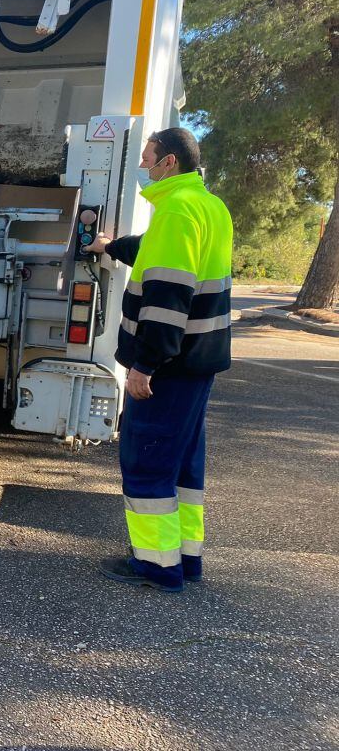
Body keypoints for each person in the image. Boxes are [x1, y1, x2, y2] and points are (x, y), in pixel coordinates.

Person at [84, 127, 233, 592]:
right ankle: (185, 560)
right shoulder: (206, 205)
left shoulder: (176, 212)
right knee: (183, 464)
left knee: (146, 458)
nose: (144, 167)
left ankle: (155, 567)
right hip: (197, 363)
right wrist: (110, 247)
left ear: (168, 162)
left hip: (168, 366)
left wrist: (146, 364)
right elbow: (153, 252)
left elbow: (168, 296)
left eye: (148, 158)